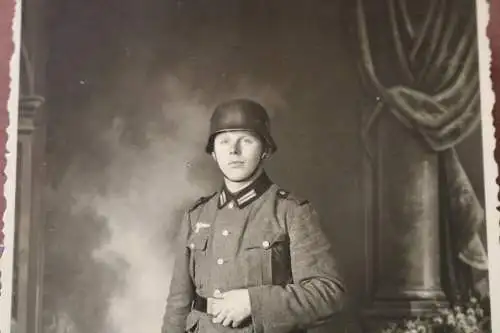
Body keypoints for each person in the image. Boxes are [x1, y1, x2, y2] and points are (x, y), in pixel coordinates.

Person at [162, 99, 345, 333]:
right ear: (214, 154)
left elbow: (328, 292)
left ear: (265, 150)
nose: (233, 150)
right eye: (224, 141)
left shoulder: (291, 211)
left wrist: (254, 302)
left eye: (246, 140)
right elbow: (178, 306)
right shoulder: (196, 216)